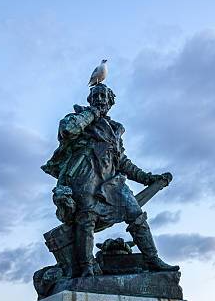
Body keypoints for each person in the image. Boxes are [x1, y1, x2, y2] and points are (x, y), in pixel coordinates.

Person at [42, 83, 179, 277]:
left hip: (112, 183)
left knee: (136, 214)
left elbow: (122, 161)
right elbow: (68, 130)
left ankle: (152, 259)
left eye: (103, 96)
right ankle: (87, 268)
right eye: (96, 96)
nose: (99, 99)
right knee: (86, 220)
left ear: (110, 101)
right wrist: (92, 114)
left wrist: (148, 178)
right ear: (90, 100)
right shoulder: (77, 118)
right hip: (85, 176)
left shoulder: (114, 129)